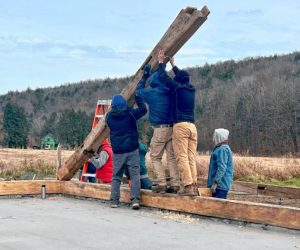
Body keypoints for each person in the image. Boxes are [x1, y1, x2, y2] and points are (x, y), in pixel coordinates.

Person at [157, 50, 198, 196]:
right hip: (192, 127)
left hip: (180, 126)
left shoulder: (178, 89)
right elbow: (181, 76)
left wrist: (161, 62)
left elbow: (163, 77)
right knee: (190, 157)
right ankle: (193, 184)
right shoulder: (191, 89)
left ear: (179, 80)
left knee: (181, 157)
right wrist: (173, 65)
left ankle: (187, 186)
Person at [136, 63, 180, 194]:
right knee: (171, 158)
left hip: (160, 129)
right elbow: (164, 78)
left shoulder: (151, 93)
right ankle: (175, 184)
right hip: (173, 128)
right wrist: (160, 68)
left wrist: (144, 77)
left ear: (152, 82)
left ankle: (161, 183)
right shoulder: (170, 91)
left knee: (155, 157)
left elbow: (138, 91)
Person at [106, 94, 147, 209]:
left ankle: (114, 201)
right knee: (134, 175)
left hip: (118, 152)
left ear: (112, 105)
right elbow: (144, 110)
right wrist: (138, 98)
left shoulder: (109, 118)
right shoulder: (130, 114)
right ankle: (135, 200)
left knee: (116, 177)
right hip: (132, 150)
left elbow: (107, 114)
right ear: (124, 103)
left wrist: (110, 109)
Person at [207, 128, 234, 199]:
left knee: (217, 207)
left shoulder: (222, 149)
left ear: (219, 137)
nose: (213, 138)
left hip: (220, 186)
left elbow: (222, 168)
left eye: (215, 136)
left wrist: (215, 182)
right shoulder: (220, 148)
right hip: (219, 185)